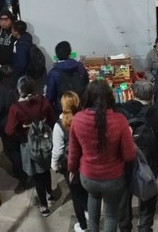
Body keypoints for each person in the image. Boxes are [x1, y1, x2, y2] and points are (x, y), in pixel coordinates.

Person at [68, 81, 136, 232]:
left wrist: (72, 170)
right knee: (111, 215)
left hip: (88, 177)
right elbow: (129, 155)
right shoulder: (120, 121)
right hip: (113, 179)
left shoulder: (77, 119)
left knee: (93, 199)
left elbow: (73, 151)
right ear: (110, 98)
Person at [118, 81, 158, 232]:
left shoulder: (120, 112)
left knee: (123, 195)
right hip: (148, 162)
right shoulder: (155, 114)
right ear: (151, 96)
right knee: (148, 193)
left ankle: (125, 227)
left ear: (133, 94)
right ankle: (145, 227)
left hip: (122, 161)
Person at [5, 79, 57, 216]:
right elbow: (53, 118)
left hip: (29, 144)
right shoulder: (44, 102)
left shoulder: (15, 108)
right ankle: (50, 192)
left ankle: (44, 206)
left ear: (19, 90)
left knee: (37, 175)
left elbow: (9, 130)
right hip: (46, 141)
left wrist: (23, 130)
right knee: (46, 169)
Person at [52, 91, 89, 232]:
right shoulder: (85, 118)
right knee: (85, 190)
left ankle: (83, 225)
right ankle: (89, 212)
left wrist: (54, 165)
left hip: (70, 167)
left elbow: (57, 151)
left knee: (76, 196)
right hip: (86, 162)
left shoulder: (59, 126)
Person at [0, 65, 25, 184]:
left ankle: (21, 173)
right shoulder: (19, 86)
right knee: (20, 147)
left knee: (11, 151)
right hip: (20, 123)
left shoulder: (0, 89)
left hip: (7, 126)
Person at [46, 41, 89, 113]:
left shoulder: (54, 73)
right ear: (70, 53)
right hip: (80, 106)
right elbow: (86, 84)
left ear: (57, 55)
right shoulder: (80, 66)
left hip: (63, 109)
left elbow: (50, 97)